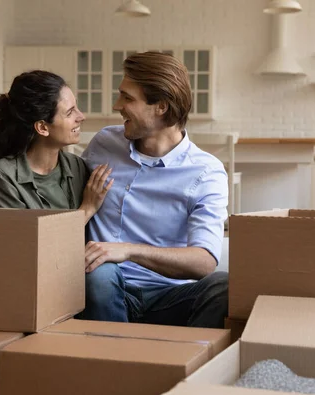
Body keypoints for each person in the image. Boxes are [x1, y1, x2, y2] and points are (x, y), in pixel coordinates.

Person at [80, 52, 229, 329]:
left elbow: (205, 262)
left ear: (160, 106)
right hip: (103, 288)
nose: (117, 105)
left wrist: (128, 251)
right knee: (99, 273)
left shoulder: (206, 172)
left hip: (168, 297)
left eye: (127, 98)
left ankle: (186, 366)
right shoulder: (104, 144)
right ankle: (114, 363)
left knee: (225, 285)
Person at [0, 70, 113, 221]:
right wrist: (87, 210)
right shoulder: (3, 176)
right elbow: (27, 239)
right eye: (70, 112)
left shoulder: (77, 167)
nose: (81, 117)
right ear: (42, 128)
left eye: (77, 108)